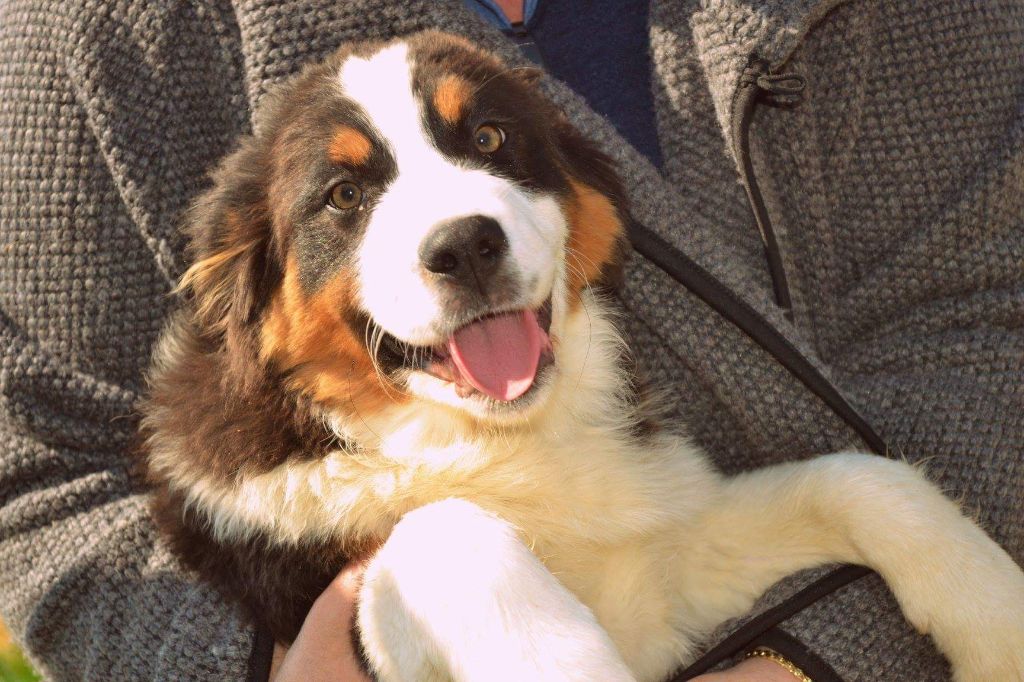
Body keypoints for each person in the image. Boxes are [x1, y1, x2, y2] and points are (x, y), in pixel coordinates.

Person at [1, 0, 1020, 680]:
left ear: (588, 212)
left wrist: (842, 612)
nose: (457, 227)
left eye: (486, 142)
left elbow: (985, 316)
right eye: (348, 195)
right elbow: (43, 479)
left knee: (861, 494)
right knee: (452, 544)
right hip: (364, 546)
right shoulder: (85, 37)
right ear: (250, 300)